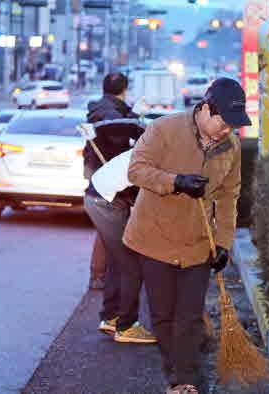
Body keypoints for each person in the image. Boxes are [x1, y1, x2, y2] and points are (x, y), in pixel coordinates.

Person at [123, 78, 251, 394]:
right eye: (224, 123)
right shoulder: (164, 129)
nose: (228, 131)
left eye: (234, 126)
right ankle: (175, 373)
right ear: (206, 109)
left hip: (197, 243)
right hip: (153, 238)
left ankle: (186, 382)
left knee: (190, 318)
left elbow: (228, 197)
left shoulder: (230, 146)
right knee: (163, 316)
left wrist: (223, 244)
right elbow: (136, 170)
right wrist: (175, 181)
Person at [83, 72, 156, 344]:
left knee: (119, 259)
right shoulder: (141, 137)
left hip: (102, 190)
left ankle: (111, 317)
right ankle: (126, 325)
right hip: (106, 199)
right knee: (131, 264)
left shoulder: (125, 123)